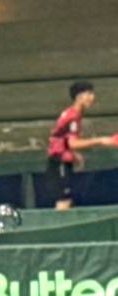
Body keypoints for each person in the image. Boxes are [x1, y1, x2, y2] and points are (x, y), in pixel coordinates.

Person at [46, 83, 115, 211]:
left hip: (61, 159)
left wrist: (74, 154)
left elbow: (62, 139)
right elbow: (72, 143)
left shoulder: (72, 114)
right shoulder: (73, 116)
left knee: (67, 200)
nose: (92, 97)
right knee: (64, 202)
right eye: (88, 94)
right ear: (79, 96)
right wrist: (100, 140)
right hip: (59, 162)